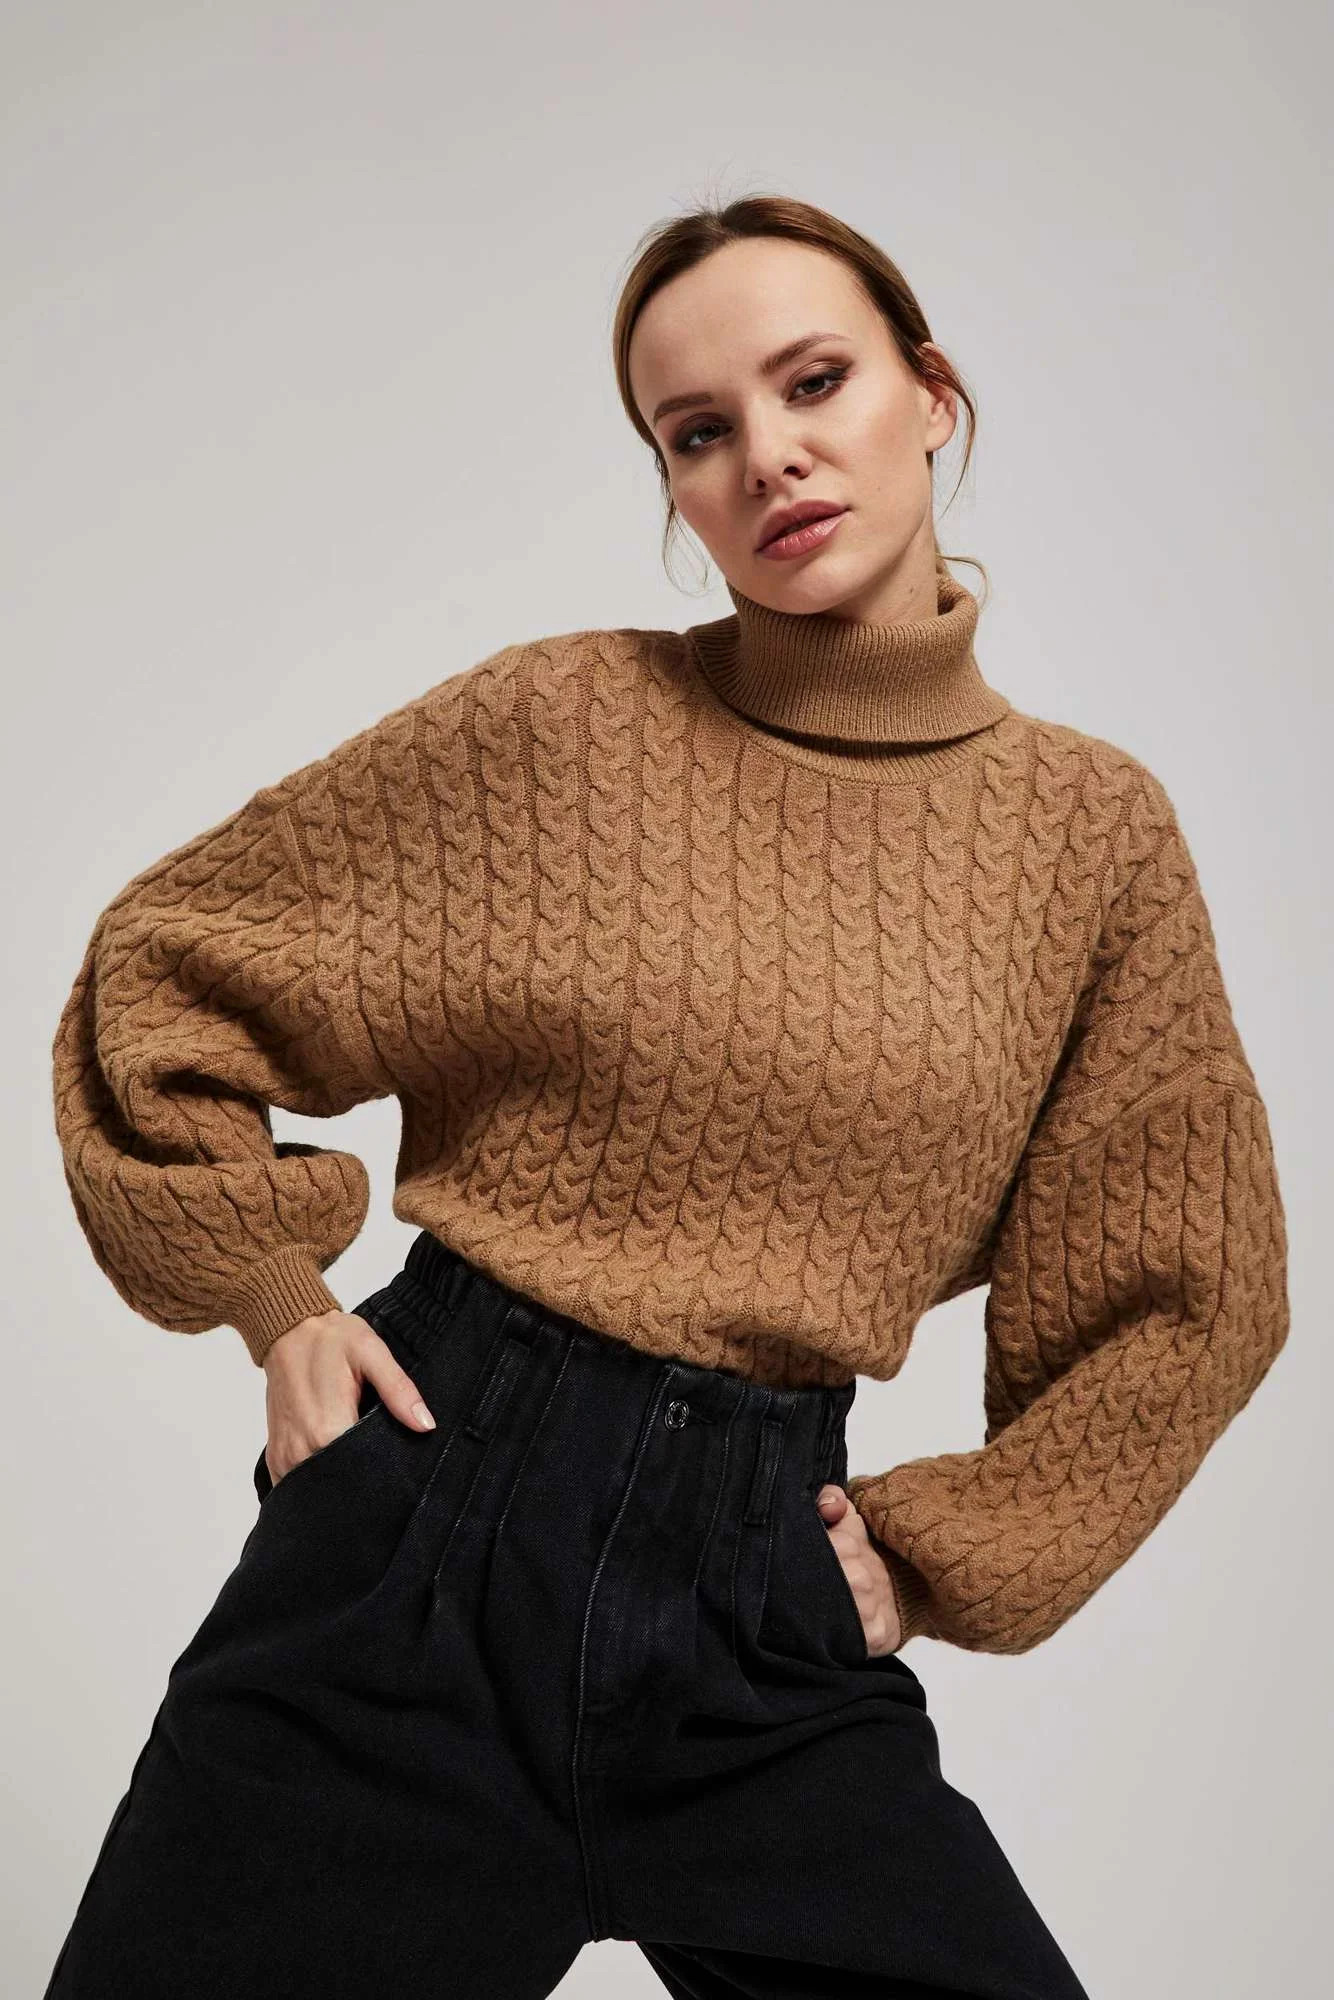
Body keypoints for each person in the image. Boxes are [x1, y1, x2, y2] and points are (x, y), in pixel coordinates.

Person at [42, 193, 1289, 1999]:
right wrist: (271, 1297)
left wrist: (940, 1559)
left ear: (930, 394)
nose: (766, 455)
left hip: (764, 1613)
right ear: (675, 489)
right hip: (418, 1546)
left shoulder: (1091, 840)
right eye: (697, 433)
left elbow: (1188, 1289)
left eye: (814, 383)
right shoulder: (559, 727)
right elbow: (168, 967)